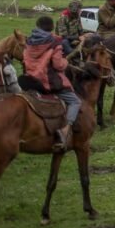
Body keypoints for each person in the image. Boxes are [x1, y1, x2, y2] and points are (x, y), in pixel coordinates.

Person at [24, 16, 82, 151]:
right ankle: (66, 129)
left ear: (37, 26)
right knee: (75, 101)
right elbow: (58, 65)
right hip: (47, 81)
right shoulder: (54, 43)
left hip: (30, 80)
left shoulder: (29, 40)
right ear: (51, 27)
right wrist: (66, 62)